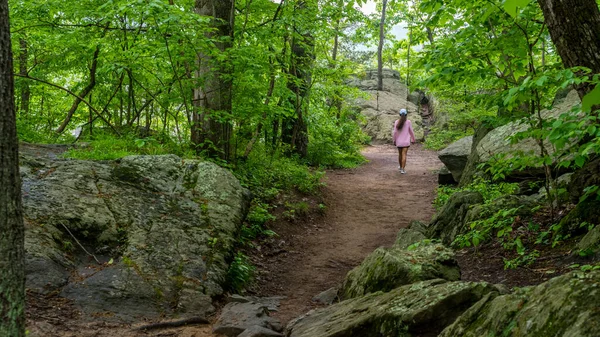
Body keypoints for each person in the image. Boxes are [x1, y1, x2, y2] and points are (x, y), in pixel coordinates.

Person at [392, 109, 416, 174]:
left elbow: (395, 132)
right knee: (404, 155)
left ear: (399, 114)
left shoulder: (396, 122)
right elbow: (411, 131)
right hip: (406, 142)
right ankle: (403, 169)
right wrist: (413, 139)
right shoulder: (408, 122)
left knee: (400, 155)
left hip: (399, 142)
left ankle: (400, 167)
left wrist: (394, 140)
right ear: (406, 114)